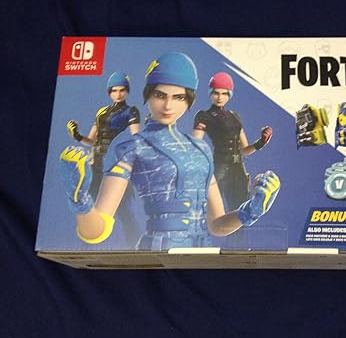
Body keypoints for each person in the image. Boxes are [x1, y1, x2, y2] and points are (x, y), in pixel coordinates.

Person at [59, 53, 280, 251]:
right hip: (156, 257)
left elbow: (217, 225)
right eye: (159, 94)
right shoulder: (133, 149)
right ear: (148, 95)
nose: (167, 105)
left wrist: (250, 211)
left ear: (189, 100)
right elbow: (96, 231)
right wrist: (79, 200)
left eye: (178, 97)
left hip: (203, 257)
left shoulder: (201, 149)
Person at [65, 72, 142, 246]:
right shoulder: (101, 112)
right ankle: (86, 247)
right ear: (109, 92)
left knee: (125, 211)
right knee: (90, 208)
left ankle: (137, 247)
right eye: (114, 90)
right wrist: (77, 135)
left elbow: (136, 138)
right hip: (96, 164)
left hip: (116, 165)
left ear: (127, 91)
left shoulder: (131, 111)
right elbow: (92, 141)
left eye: (122, 90)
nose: (118, 94)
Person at [192, 72, 273, 211]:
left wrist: (261, 142)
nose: (220, 97)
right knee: (212, 211)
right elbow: (196, 145)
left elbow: (245, 150)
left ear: (229, 95)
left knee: (240, 213)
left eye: (224, 93)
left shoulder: (234, 116)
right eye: (216, 93)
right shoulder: (204, 116)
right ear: (210, 93)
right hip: (219, 168)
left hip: (239, 170)